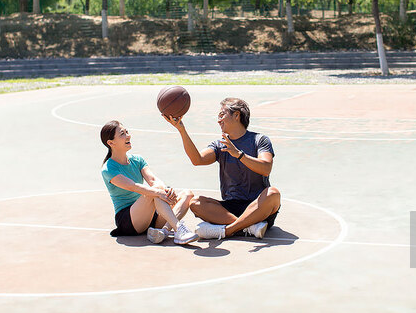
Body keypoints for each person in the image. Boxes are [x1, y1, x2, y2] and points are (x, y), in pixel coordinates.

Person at [163, 97, 281, 240]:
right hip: (230, 207)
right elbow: (197, 160)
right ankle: (249, 227)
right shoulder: (220, 145)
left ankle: (228, 230)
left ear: (236, 115)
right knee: (195, 203)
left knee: (273, 194)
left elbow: (266, 168)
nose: (218, 120)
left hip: (258, 207)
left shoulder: (260, 140)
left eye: (221, 115)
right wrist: (182, 130)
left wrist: (239, 155)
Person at [100, 120, 198, 245]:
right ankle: (179, 229)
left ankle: (163, 232)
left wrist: (166, 190)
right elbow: (133, 186)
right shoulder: (109, 168)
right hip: (128, 220)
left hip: (150, 216)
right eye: (122, 134)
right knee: (153, 193)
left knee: (187, 194)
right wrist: (159, 192)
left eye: (127, 132)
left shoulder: (137, 160)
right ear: (111, 142)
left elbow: (153, 180)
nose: (128, 135)